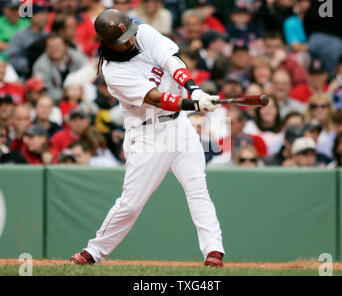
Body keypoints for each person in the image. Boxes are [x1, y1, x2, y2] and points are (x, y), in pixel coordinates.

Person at [70, 9, 225, 267]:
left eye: (129, 35)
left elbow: (172, 61)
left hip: (180, 129)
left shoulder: (143, 33)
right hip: (148, 134)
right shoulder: (113, 71)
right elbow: (156, 99)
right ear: (108, 43)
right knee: (131, 203)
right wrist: (193, 104)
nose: (130, 42)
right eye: (122, 41)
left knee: (197, 188)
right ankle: (94, 252)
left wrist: (194, 89)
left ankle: (214, 251)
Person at [32, 34, 87, 102]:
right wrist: (66, 94)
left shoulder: (74, 55)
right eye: (51, 47)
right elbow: (45, 91)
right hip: (54, 103)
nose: (55, 49)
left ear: (65, 46)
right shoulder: (40, 66)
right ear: (46, 49)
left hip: (79, 95)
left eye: (58, 46)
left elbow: (86, 67)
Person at [5, 2, 49, 78]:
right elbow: (12, 58)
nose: (45, 18)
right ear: (33, 16)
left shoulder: (48, 35)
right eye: (42, 14)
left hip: (47, 73)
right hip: (25, 75)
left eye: (46, 14)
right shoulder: (20, 36)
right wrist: (28, 66)